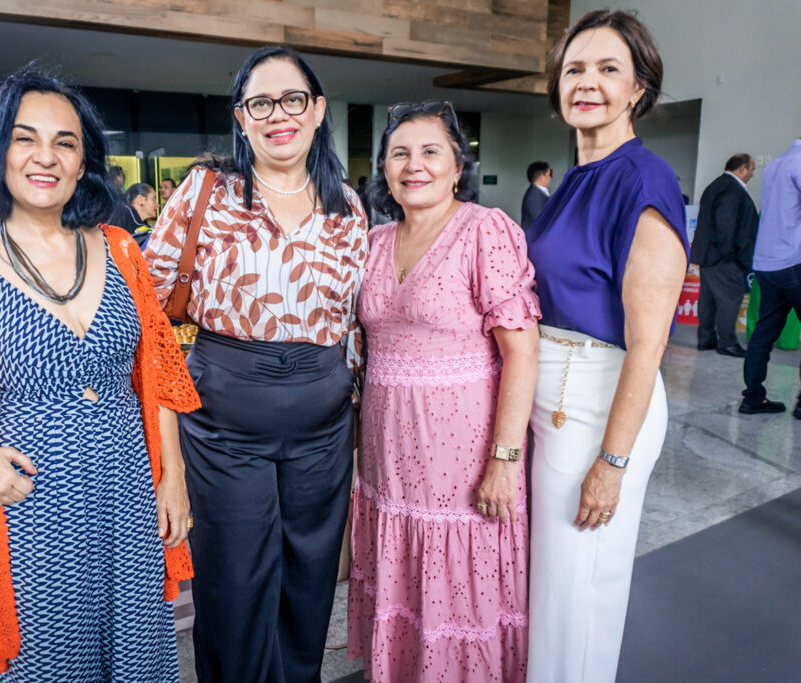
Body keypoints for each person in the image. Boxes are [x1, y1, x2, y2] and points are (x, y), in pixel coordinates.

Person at [0, 66, 199, 680]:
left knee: (138, 652)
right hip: (30, 502)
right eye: (25, 138)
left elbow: (157, 370)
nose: (44, 157)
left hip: (129, 491)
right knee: (48, 661)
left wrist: (174, 476)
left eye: (65, 142)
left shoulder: (122, 249)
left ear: (83, 162)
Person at [144, 45, 367, 683]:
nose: (278, 115)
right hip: (224, 426)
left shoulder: (348, 208)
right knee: (235, 583)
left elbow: (356, 323)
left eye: (292, 99)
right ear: (241, 118)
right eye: (259, 103)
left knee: (310, 580)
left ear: (318, 110)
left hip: (323, 427)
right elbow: (150, 315)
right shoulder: (205, 193)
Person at [347, 100, 540, 682]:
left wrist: (504, 461)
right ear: (384, 168)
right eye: (399, 154)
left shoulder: (485, 231)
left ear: (459, 166)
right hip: (388, 463)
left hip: (461, 463)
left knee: (458, 600)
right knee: (403, 598)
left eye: (431, 152)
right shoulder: (375, 240)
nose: (414, 165)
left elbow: (522, 352)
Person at [523, 11, 688, 682]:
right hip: (557, 400)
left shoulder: (644, 181)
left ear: (639, 88)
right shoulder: (576, 176)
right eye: (574, 69)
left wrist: (611, 461)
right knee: (555, 591)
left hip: (600, 405)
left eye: (607, 68)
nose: (586, 82)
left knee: (580, 594)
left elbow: (649, 344)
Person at [741, 136, 801, 417]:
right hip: (794, 261)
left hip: (768, 264)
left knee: (763, 333)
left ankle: (753, 397)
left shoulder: (777, 164)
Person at [691, 153, 758, 357]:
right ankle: (727, 342)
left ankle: (706, 339)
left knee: (708, 299)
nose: (753, 174)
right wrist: (730, 256)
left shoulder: (716, 185)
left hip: (709, 256)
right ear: (742, 169)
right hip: (723, 258)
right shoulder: (731, 189)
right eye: (752, 169)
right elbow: (725, 225)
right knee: (731, 298)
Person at [111, 182, 157, 247]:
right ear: (140, 199)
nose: (157, 204)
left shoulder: (143, 225)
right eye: (154, 199)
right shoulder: (122, 214)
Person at [520, 161, 552, 228]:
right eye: (549, 175)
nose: (550, 178)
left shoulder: (539, 192)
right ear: (541, 178)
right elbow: (541, 221)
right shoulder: (533, 196)